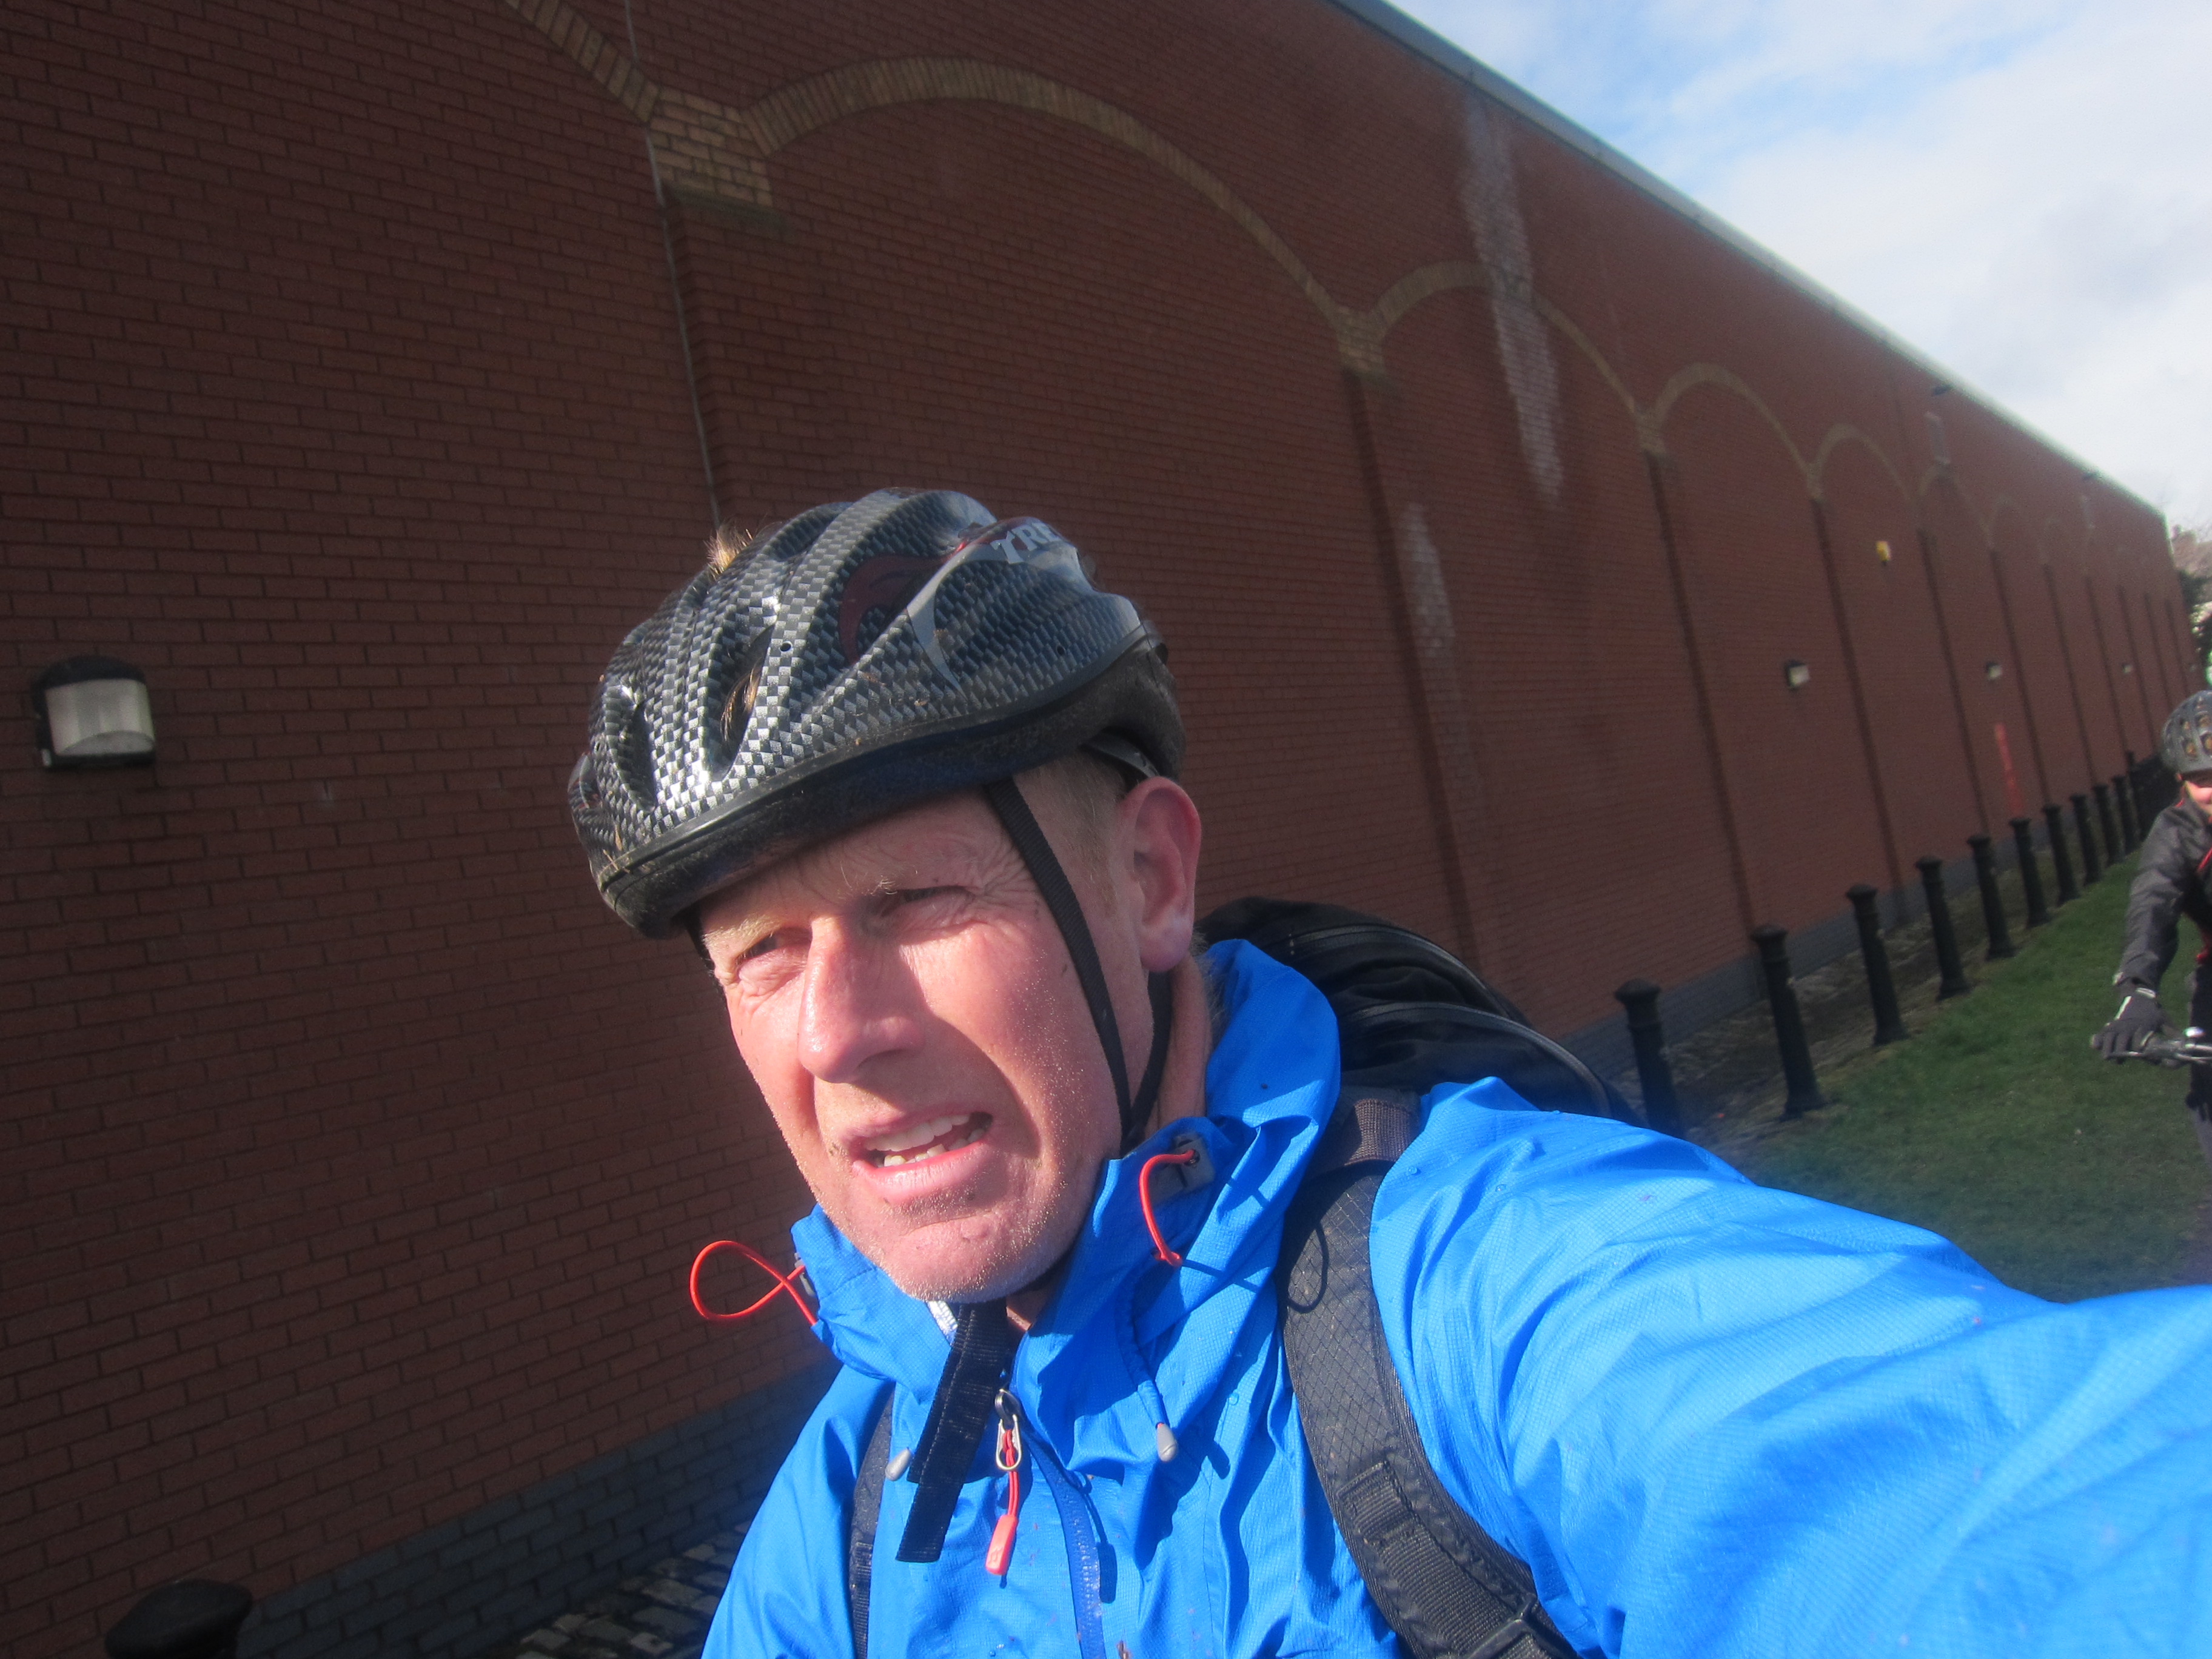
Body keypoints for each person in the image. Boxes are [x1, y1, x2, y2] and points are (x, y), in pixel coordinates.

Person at [572, 490, 2212, 1659]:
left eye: (917, 902)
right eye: (759, 953)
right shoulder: (855, 1511)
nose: (833, 1032)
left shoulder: (1478, 1289)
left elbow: (1989, 1491)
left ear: (1147, 880)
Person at [2093, 689, 2212, 1170]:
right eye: (2202, 779)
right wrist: (2137, 990)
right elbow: (2153, 903)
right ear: (2181, 780)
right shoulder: (2178, 833)